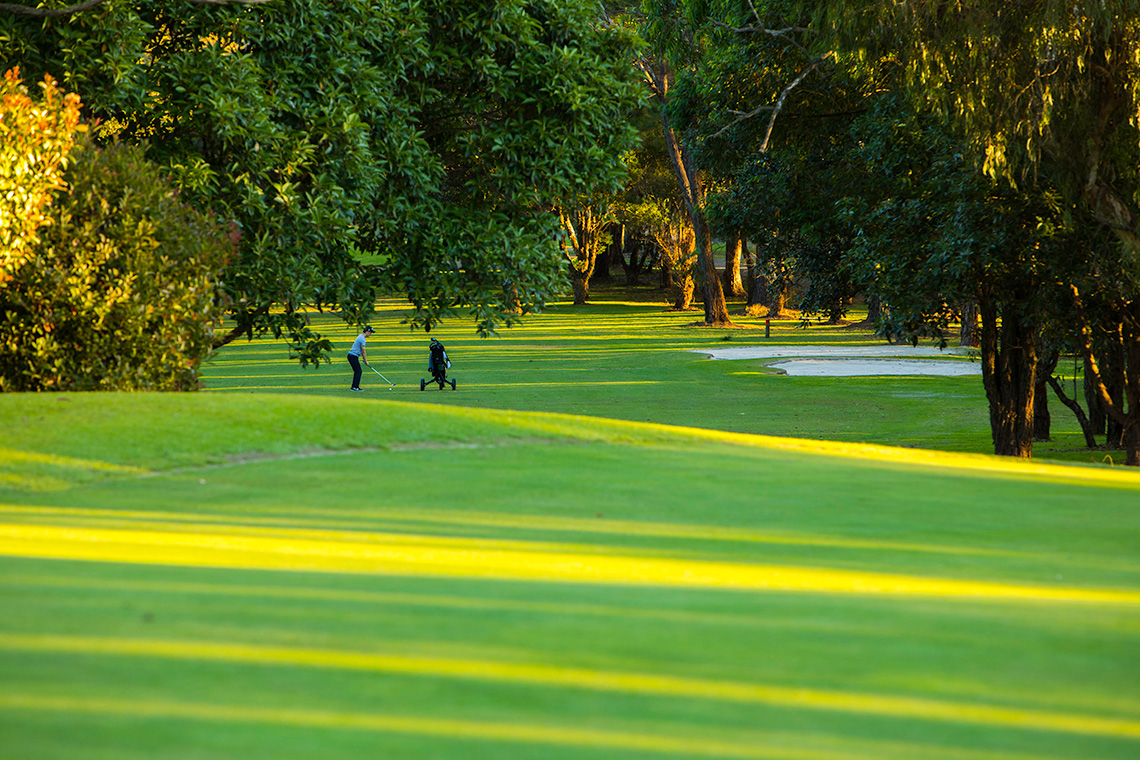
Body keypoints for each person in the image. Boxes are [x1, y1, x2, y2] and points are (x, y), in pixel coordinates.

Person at [347, 326, 374, 391]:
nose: (370, 334)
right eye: (370, 333)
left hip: (352, 356)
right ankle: (355, 387)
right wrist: (366, 361)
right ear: (367, 332)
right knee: (358, 371)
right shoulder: (362, 339)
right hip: (352, 356)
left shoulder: (361, 336)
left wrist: (364, 360)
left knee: (357, 371)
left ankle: (354, 386)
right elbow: (363, 351)